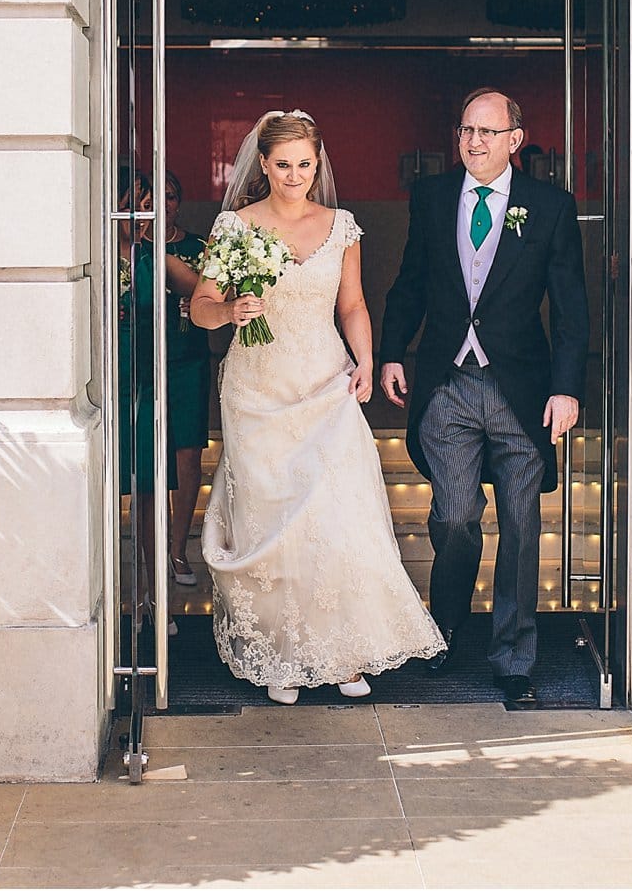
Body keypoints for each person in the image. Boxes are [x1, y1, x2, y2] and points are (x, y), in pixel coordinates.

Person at [189, 110, 444, 705]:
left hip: (325, 383)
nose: (295, 175)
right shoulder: (236, 227)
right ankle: (282, 652)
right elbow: (201, 303)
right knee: (271, 523)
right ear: (263, 164)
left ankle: (342, 652)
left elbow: (352, 304)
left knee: (337, 515)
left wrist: (365, 359)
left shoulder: (342, 227)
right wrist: (228, 313)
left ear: (318, 164)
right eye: (283, 164)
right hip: (257, 389)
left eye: (305, 164)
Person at [377, 89, 589, 706]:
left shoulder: (549, 207)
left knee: (521, 525)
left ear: (515, 140)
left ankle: (513, 657)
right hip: (448, 387)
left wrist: (566, 390)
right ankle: (444, 628)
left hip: (520, 390)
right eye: (467, 130)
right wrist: (394, 351)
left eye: (489, 133)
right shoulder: (433, 197)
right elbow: (409, 283)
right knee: (455, 518)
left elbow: (570, 310)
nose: (475, 142)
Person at [115, 167, 201, 631]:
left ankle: (151, 598)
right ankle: (113, 598)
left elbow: (205, 291)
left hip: (152, 383)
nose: (145, 213)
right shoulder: (99, 255)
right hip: (112, 385)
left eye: (151, 204)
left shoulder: (158, 256)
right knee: (110, 490)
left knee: (150, 491)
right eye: (136, 202)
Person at [155, 170, 209, 587]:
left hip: (189, 360)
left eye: (171, 195)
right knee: (148, 458)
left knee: (187, 456)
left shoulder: (197, 248)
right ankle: (149, 552)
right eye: (156, 196)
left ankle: (177, 551)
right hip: (143, 364)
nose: (165, 203)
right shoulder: (130, 249)